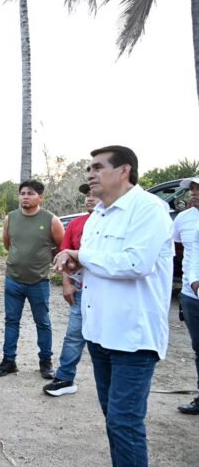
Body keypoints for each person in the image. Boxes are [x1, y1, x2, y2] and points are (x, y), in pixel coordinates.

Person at [54, 145, 172, 467]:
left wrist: (82, 256)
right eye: (89, 169)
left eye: (97, 167)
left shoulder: (149, 208)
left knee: (124, 423)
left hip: (133, 338)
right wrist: (72, 266)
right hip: (99, 334)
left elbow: (137, 263)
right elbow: (94, 270)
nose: (90, 174)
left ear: (124, 171)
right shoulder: (96, 218)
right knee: (113, 418)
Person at [0, 179, 64, 379]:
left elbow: (61, 247)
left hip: (38, 282)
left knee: (43, 322)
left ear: (40, 197)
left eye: (30, 193)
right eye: (22, 193)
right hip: (13, 280)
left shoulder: (51, 220)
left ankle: (45, 362)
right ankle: (9, 361)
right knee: (11, 321)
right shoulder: (11, 218)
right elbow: (8, 245)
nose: (25, 196)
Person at [43, 184, 99, 396]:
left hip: (107, 293)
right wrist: (67, 283)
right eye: (87, 195)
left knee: (103, 341)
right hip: (80, 289)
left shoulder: (113, 223)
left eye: (94, 194)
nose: (89, 199)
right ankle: (65, 378)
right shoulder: (77, 223)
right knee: (74, 335)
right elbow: (66, 257)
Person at [174, 176, 199, 414]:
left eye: (198, 188)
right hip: (191, 296)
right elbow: (179, 249)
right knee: (198, 348)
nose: (194, 192)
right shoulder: (183, 219)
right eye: (192, 189)